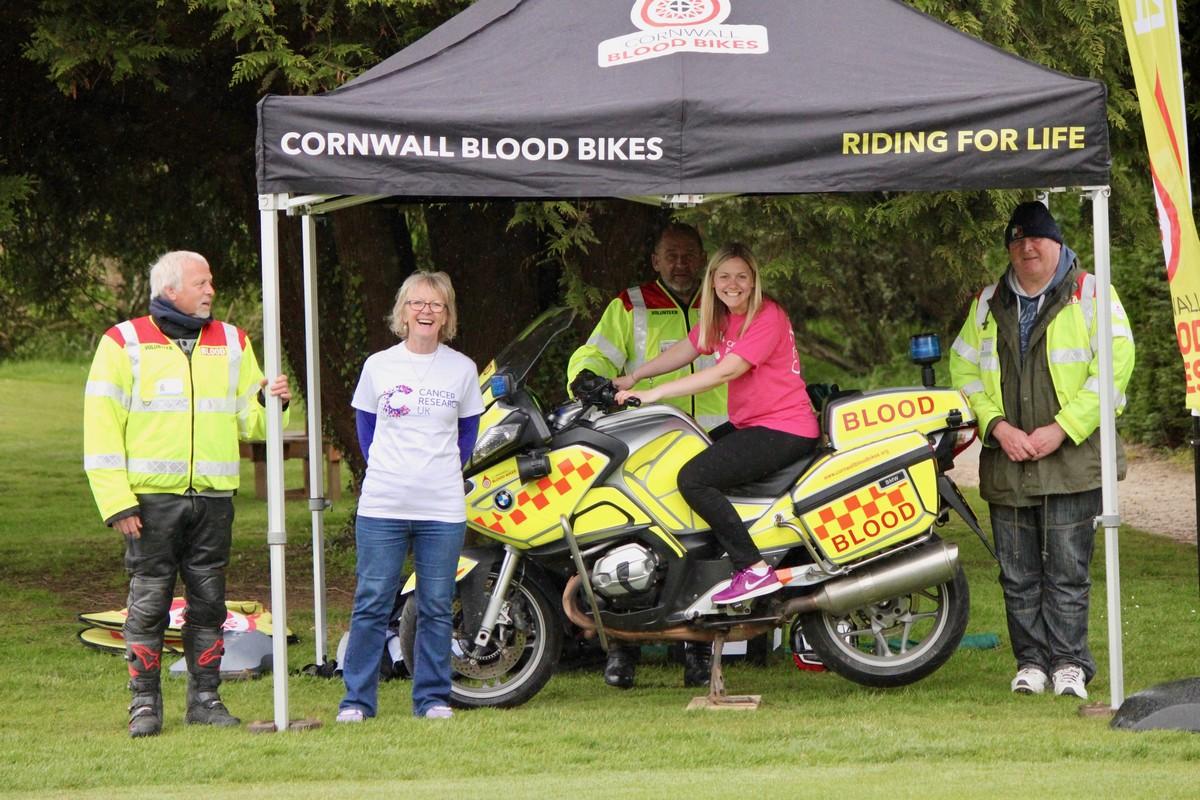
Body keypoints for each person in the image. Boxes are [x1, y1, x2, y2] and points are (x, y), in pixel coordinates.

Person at [83, 250, 291, 738]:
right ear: (170, 289)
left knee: (210, 604)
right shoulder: (124, 341)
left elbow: (254, 423)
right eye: (202, 282)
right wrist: (116, 501)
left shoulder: (234, 341)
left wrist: (269, 402)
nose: (210, 290)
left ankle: (205, 700)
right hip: (149, 502)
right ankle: (144, 705)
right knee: (149, 604)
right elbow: (100, 426)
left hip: (214, 499)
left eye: (211, 282)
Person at [949, 201, 1135, 700]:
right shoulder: (988, 303)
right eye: (1017, 240)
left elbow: (1115, 371)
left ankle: (1071, 664)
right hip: (1007, 459)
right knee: (1018, 573)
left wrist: (1062, 428)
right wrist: (997, 426)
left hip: (1072, 460)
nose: (1027, 247)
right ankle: (1030, 662)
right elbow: (963, 373)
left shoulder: (1093, 293)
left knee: (1068, 572)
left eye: (1037, 238)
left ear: (1057, 243)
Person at [616, 242, 821, 606]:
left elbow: (725, 371)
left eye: (742, 276)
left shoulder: (766, 316)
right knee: (685, 456)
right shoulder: (723, 318)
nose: (733, 283)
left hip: (784, 428)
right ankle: (710, 559)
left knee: (693, 478)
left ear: (754, 280)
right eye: (724, 276)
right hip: (752, 424)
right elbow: (687, 349)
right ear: (712, 281)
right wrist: (634, 377)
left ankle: (753, 569)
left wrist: (655, 393)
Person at [568, 222, 726, 690]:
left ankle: (698, 650)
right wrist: (586, 380)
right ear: (655, 260)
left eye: (688, 255)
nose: (680, 264)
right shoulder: (629, 304)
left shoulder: (722, 302)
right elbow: (593, 355)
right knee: (629, 539)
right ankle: (622, 649)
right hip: (648, 440)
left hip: (714, 438)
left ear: (702, 259)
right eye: (670, 255)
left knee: (705, 542)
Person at [337, 271, 484, 723]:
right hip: (383, 505)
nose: (426, 312)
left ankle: (432, 698)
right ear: (403, 311)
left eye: (436, 305)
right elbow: (366, 431)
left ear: (447, 315)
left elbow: (467, 436)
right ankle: (357, 701)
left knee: (437, 605)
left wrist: (435, 472)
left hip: (441, 507)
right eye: (418, 303)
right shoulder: (379, 366)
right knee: (373, 602)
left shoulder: (461, 368)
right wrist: (393, 469)